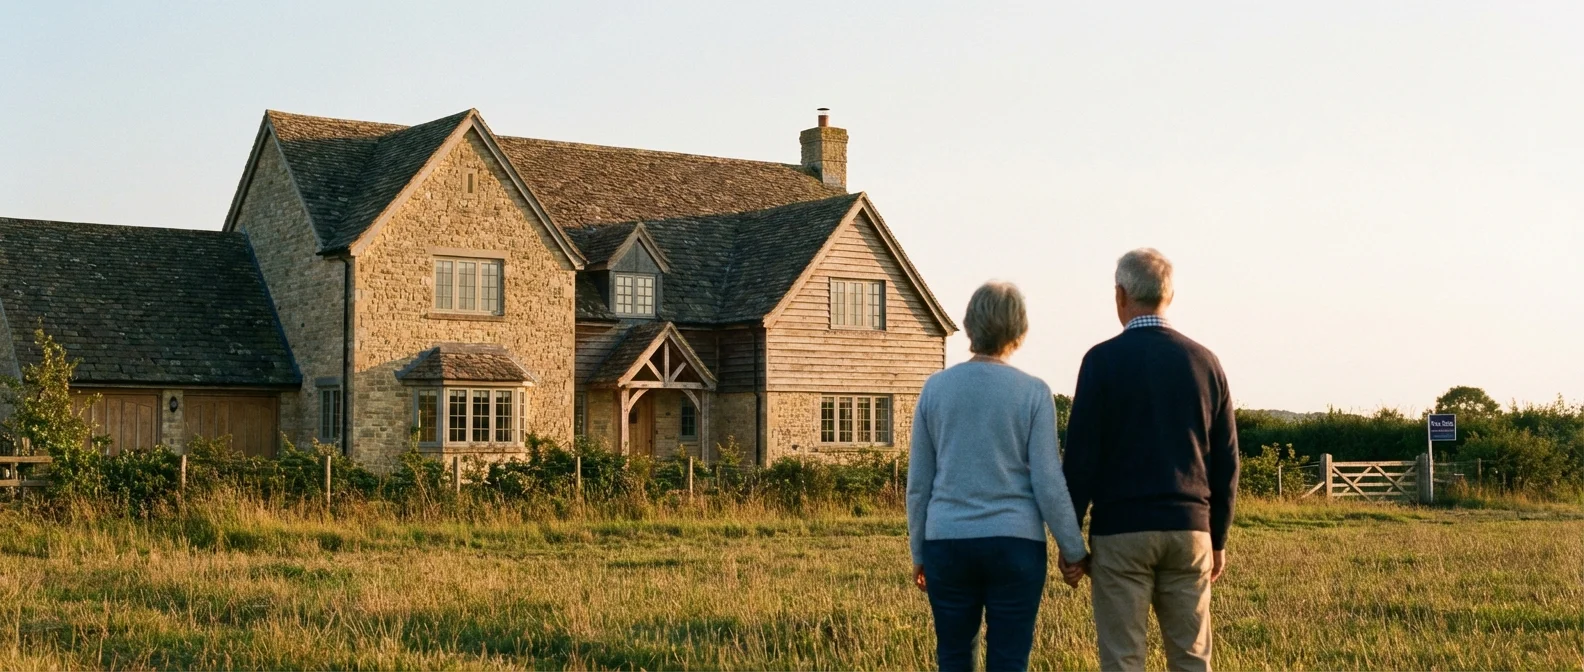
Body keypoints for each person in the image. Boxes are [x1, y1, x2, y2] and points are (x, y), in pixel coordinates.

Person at [1062, 248, 1239, 672]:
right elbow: (1227, 461)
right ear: (1170, 296)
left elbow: (1081, 458)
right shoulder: (1206, 362)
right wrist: (1218, 538)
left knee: (1123, 658)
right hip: (1189, 529)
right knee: (1192, 657)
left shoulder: (1101, 361)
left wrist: (1070, 541)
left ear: (1120, 296)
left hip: (1121, 533)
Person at [908, 281, 1090, 672]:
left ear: (969, 325)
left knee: (954, 658)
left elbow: (919, 484)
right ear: (1019, 331)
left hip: (947, 543)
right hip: (1016, 545)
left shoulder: (935, 390)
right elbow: (1048, 482)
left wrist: (919, 552)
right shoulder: (1033, 393)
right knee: (1010, 659)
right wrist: (1073, 551)